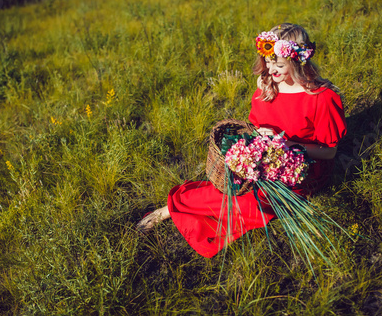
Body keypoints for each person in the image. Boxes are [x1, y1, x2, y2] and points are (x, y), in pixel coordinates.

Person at [136, 23, 347, 258]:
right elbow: (255, 127)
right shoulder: (267, 88)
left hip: (300, 168)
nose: (271, 70)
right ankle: (175, 207)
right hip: (265, 160)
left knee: (252, 202)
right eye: (267, 62)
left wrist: (288, 146)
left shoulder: (321, 98)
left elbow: (329, 152)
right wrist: (257, 142)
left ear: (297, 62)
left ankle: (172, 210)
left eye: (278, 65)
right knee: (235, 187)